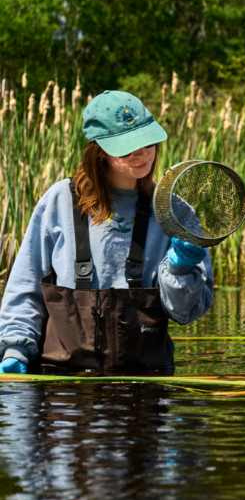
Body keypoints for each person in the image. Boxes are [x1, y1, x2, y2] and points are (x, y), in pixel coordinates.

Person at [0, 90, 213, 375]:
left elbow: (186, 313)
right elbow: (25, 288)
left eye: (147, 141)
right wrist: (15, 350)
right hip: (63, 390)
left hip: (145, 387)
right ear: (98, 151)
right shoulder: (59, 201)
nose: (141, 153)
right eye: (127, 147)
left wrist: (180, 269)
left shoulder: (176, 212)